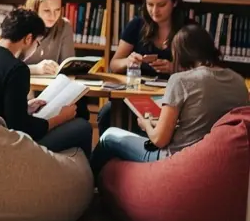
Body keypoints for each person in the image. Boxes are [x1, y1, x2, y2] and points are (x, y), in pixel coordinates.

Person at [91, 23, 248, 173]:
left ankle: (92, 189)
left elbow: (159, 140)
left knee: (109, 136)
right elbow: (205, 122)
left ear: (180, 54)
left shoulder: (181, 80)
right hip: (219, 160)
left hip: (177, 159)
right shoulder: (238, 81)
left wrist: (146, 124)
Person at [0, 8, 93, 157]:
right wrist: (60, 118)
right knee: (82, 126)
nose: (36, 48)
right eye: (37, 43)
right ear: (28, 39)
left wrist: (25, 107)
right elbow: (21, 128)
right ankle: (88, 179)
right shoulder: (17, 69)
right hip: (8, 145)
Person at [100, 0, 185, 133]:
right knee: (106, 114)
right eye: (150, 5)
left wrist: (175, 68)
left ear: (174, 3)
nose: (154, 11)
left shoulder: (187, 29)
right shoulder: (137, 25)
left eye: (161, 5)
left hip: (173, 98)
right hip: (137, 94)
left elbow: (203, 71)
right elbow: (114, 64)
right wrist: (128, 61)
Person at [24, 0, 75, 75]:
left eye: (57, 10)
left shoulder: (65, 26)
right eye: (47, 10)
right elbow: (5, 67)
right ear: (34, 8)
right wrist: (36, 69)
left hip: (50, 86)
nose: (53, 16)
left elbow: (68, 67)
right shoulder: (19, 25)